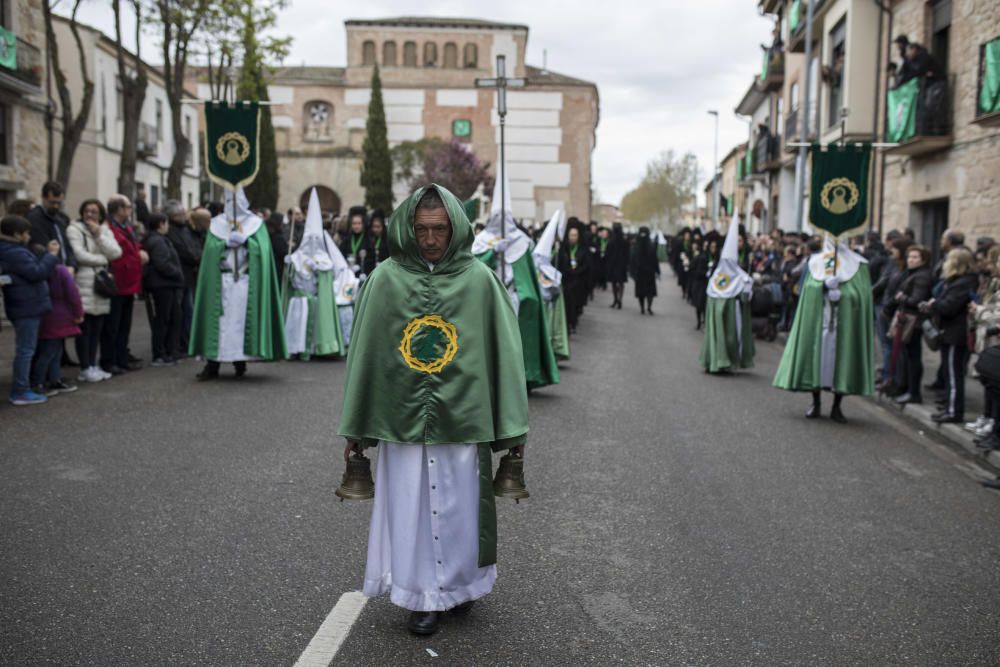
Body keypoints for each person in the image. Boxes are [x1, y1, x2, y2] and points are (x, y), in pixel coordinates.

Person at [337, 183, 529, 637]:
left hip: (462, 419)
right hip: (401, 421)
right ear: (408, 227)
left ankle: (460, 587)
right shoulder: (385, 278)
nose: (429, 239)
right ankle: (423, 595)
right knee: (410, 505)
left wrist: (512, 427)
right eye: (421, 229)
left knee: (461, 505)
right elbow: (365, 357)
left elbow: (503, 354)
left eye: (439, 229)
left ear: (455, 228)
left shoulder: (479, 280)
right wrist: (357, 426)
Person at [188, 187, 287, 380]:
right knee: (220, 324)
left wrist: (248, 243)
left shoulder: (256, 224)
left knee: (242, 324)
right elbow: (208, 253)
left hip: (245, 283)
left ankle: (240, 362)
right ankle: (212, 364)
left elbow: (263, 253)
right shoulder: (217, 224)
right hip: (221, 283)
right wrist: (223, 245)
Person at [472, 173, 559, 390]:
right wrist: (493, 252)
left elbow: (528, 275)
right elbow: (473, 265)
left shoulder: (522, 241)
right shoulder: (481, 242)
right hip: (490, 296)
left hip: (514, 297)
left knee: (518, 334)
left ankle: (523, 375)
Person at [773, 236, 874, 423]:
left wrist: (844, 294)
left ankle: (837, 405)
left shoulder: (859, 264)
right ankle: (816, 402)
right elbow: (805, 289)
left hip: (845, 324)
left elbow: (862, 296)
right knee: (816, 361)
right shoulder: (815, 262)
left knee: (842, 362)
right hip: (820, 320)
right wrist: (823, 287)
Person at [0, 215, 60, 405]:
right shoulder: (14, 252)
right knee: (25, 350)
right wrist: (51, 256)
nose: (28, 236)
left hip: (25, 304)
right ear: (17, 234)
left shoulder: (14, 250)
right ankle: (20, 391)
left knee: (27, 348)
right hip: (25, 306)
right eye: (25, 233)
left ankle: (23, 387)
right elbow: (36, 273)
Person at [282, 188, 345, 360]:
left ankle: (316, 349)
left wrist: (319, 268)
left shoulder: (324, 259)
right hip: (299, 300)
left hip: (315, 300)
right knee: (297, 326)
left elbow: (327, 276)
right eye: (309, 239)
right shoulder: (296, 257)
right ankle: (294, 349)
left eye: (316, 240)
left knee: (313, 325)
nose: (312, 243)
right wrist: (290, 266)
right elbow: (289, 280)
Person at [67, 199, 122, 383]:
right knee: (85, 328)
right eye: (87, 211)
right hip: (83, 282)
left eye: (94, 212)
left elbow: (115, 253)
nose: (90, 215)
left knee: (97, 327)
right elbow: (79, 254)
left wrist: (98, 235)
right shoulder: (74, 229)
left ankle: (92, 364)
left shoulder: (104, 230)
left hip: (101, 284)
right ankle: (84, 366)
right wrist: (102, 260)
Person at [920, 248, 978, 423]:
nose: (945, 263)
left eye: (948, 260)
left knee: (954, 374)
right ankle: (949, 408)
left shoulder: (963, 283)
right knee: (949, 372)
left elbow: (949, 307)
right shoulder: (956, 281)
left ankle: (953, 411)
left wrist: (934, 304)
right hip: (950, 332)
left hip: (956, 334)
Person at [699, 214, 754, 374]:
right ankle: (716, 360)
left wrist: (747, 287)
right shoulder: (718, 272)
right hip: (719, 304)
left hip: (734, 306)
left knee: (732, 336)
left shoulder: (745, 266)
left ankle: (729, 360)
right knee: (718, 334)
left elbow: (746, 291)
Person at [101, 195, 146, 376]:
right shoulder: (109, 228)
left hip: (129, 280)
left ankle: (121, 357)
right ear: (119, 209)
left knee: (124, 325)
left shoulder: (127, 227)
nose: (130, 210)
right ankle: (109, 360)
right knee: (113, 325)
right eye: (127, 207)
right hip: (118, 281)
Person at [33, 261, 83, 396]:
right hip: (61, 315)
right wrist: (78, 313)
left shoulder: (38, 270)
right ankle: (40, 382)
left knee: (51, 351)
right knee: (51, 352)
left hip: (44, 314)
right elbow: (73, 293)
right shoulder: (61, 270)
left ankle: (51, 380)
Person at [890, 245, 932, 405]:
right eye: (909, 257)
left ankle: (913, 392)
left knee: (913, 357)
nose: (911, 260)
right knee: (906, 356)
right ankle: (905, 387)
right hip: (908, 319)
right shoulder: (914, 274)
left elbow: (916, 300)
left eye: (915, 257)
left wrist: (901, 297)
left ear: (923, 260)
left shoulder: (922, 276)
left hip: (914, 321)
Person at [143, 213, 185, 366]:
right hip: (162, 285)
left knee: (173, 318)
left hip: (167, 284)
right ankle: (160, 353)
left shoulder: (159, 240)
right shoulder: (158, 241)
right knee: (163, 319)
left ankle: (169, 351)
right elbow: (162, 263)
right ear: (161, 224)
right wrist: (177, 274)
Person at [164, 200, 203, 354]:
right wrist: (195, 258)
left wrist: (197, 256)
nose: (182, 217)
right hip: (180, 276)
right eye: (178, 215)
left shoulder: (185, 229)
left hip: (188, 277)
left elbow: (194, 246)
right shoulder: (172, 231)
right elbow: (183, 251)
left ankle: (187, 342)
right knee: (181, 312)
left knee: (188, 311)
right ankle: (180, 343)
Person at [873, 237, 911, 390]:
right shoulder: (893, 263)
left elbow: (885, 283)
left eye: (895, 248)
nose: (891, 251)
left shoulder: (902, 268)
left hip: (891, 308)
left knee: (890, 344)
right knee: (887, 344)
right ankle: (888, 375)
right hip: (886, 305)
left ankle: (890, 377)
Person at [26, 181, 77, 271]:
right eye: (52, 202)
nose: (56, 206)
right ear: (43, 198)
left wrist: (72, 266)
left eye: (59, 203)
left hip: (65, 270)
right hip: (50, 270)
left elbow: (67, 245)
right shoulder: (34, 218)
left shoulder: (61, 218)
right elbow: (41, 247)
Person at [557, 221, 589, 333]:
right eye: (571, 235)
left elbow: (586, 264)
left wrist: (577, 271)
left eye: (575, 235)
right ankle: (568, 324)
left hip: (578, 280)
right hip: (566, 279)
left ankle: (573, 322)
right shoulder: (564, 249)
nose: (573, 237)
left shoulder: (583, 249)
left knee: (575, 303)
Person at [629, 226, 659, 315]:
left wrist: (632, 271)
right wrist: (657, 270)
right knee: (649, 291)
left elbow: (632, 259)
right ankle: (648, 307)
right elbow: (655, 259)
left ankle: (642, 308)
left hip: (640, 272)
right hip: (648, 272)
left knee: (641, 292)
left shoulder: (636, 245)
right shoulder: (651, 245)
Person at [339, 206, 369, 281]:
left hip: (363, 276)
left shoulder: (368, 240)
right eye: (354, 224)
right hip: (348, 275)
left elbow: (371, 260)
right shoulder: (346, 240)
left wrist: (365, 271)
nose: (356, 226)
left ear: (363, 224)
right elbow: (340, 255)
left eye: (359, 223)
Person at [606, 223, 629, 310]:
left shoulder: (611, 241)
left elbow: (608, 254)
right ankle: (620, 298)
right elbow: (627, 254)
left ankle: (615, 299)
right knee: (621, 283)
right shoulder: (625, 241)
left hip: (613, 265)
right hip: (622, 265)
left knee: (614, 283)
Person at [363, 209, 391, 275]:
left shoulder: (386, 239)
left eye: (378, 227)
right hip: (370, 271)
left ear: (382, 227)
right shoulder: (368, 238)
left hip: (384, 271)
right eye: (374, 227)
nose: (375, 229)